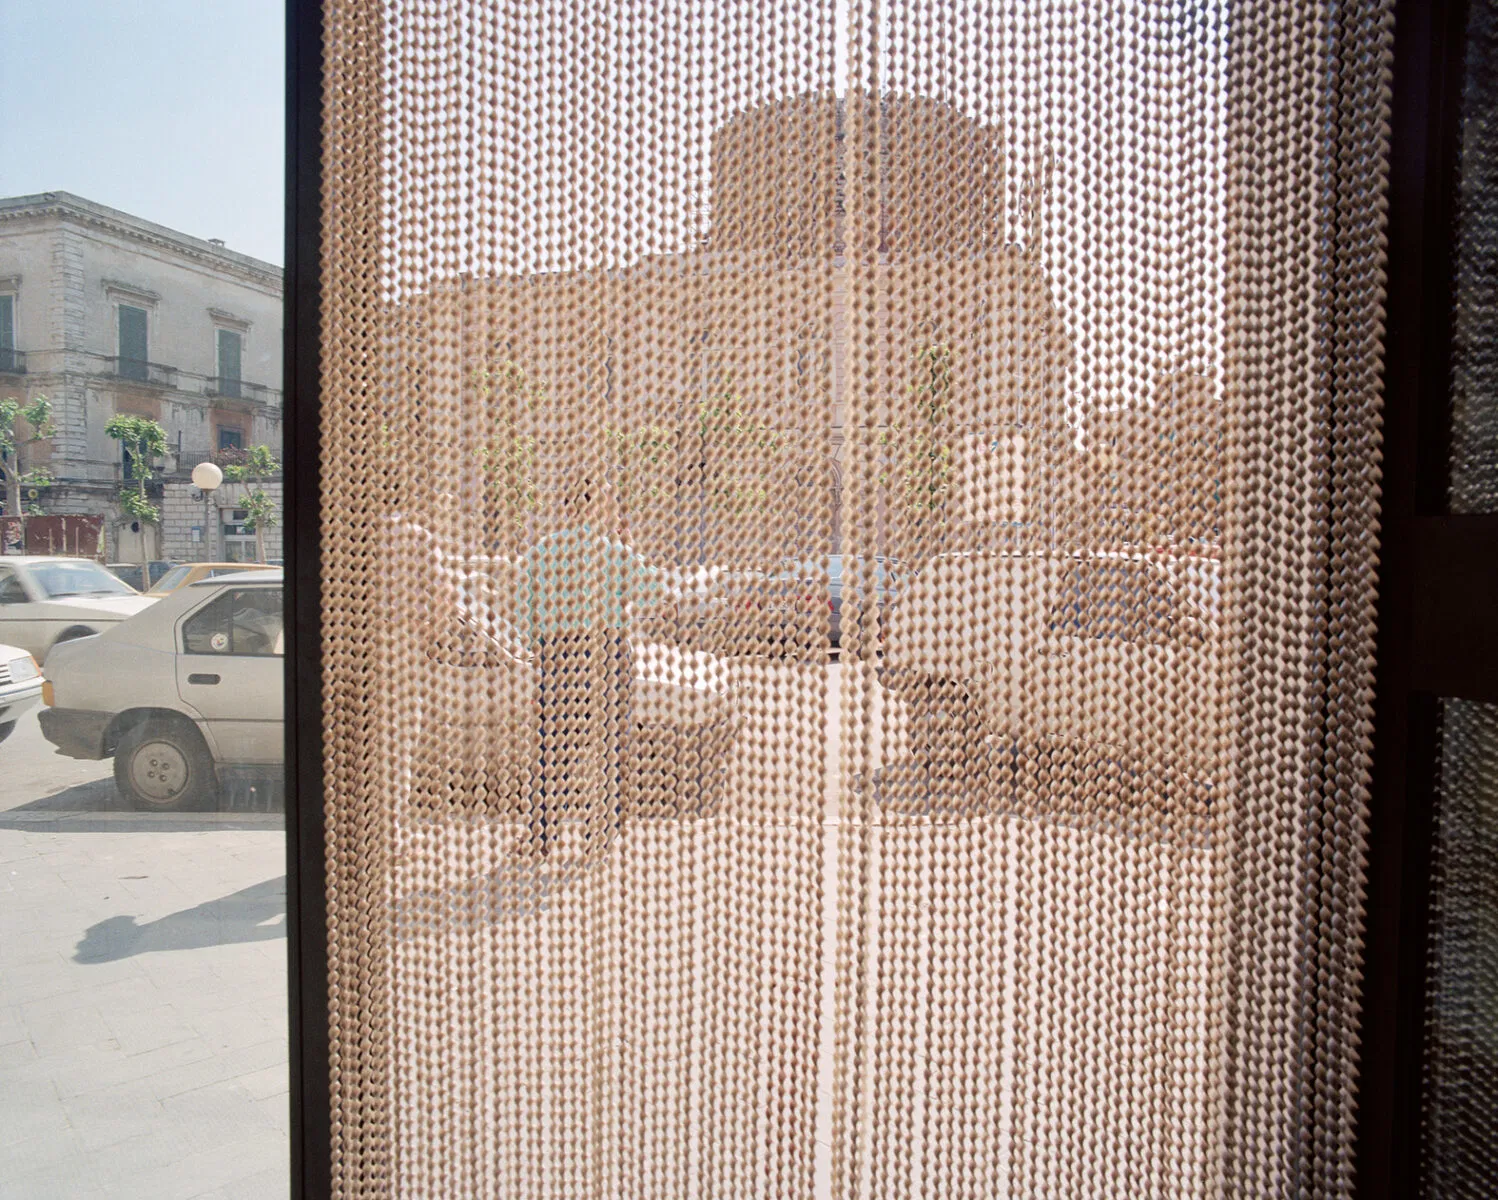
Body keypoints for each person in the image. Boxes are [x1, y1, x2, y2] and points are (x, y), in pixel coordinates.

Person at [517, 480, 661, 860]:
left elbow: (519, 605)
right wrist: (630, 548)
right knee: (609, 748)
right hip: (607, 651)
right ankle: (599, 835)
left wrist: (538, 645)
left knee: (554, 749)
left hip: (559, 656)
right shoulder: (613, 553)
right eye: (609, 503)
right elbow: (655, 595)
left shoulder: (542, 552)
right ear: (597, 507)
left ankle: (540, 835)